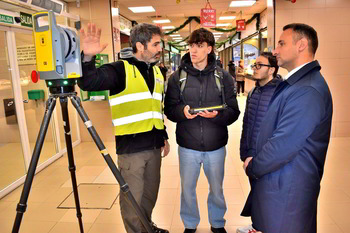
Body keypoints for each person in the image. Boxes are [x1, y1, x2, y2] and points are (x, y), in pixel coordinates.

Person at [79, 23, 170, 233]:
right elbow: (89, 82)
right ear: (140, 45)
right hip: (131, 149)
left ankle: (147, 227)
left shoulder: (157, 72)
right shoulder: (119, 70)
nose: (160, 49)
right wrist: (87, 58)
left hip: (154, 145)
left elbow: (156, 107)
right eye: (156, 44)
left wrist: (163, 136)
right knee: (132, 199)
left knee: (149, 194)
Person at [243, 23, 333, 233]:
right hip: (280, 182)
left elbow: (283, 144)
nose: (275, 50)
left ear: (301, 45)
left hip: (288, 190)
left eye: (281, 43)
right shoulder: (296, 84)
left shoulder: (307, 90)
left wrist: (254, 166)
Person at [164, 28, 240, 233]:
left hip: (216, 145)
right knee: (187, 189)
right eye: (191, 46)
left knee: (216, 188)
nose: (193, 50)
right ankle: (190, 224)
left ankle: (217, 223)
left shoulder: (223, 77)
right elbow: (169, 110)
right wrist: (182, 112)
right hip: (188, 146)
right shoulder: (176, 78)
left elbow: (234, 111)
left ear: (209, 48)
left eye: (199, 46)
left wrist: (218, 117)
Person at [236, 52, 280, 233]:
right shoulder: (253, 91)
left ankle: (264, 226)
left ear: (272, 70)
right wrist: (245, 151)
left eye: (259, 65)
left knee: (267, 194)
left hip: (266, 156)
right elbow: (247, 123)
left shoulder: (280, 92)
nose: (254, 68)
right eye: (254, 65)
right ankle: (257, 226)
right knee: (256, 191)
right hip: (251, 153)